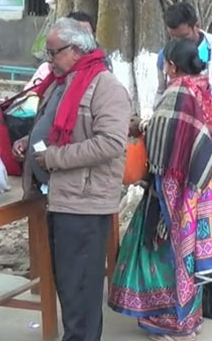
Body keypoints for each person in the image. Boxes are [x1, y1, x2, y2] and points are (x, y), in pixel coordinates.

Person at [15, 18, 130, 341]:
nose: (49, 60)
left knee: (81, 290)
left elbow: (110, 143)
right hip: (61, 198)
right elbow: (50, 126)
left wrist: (54, 158)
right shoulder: (60, 82)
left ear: (77, 50)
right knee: (67, 284)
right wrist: (29, 141)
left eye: (54, 53)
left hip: (85, 203)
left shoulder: (105, 86)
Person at [109, 39, 212, 341]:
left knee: (162, 250)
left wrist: (142, 128)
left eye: (165, 64)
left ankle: (169, 322)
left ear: (172, 66)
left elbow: (165, 137)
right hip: (195, 186)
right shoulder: (201, 89)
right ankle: (189, 320)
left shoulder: (177, 92)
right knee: (186, 253)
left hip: (172, 189)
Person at [154, 2, 212, 243]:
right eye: (173, 37)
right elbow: (161, 92)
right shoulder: (166, 55)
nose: (179, 42)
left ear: (197, 27)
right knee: (187, 206)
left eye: (184, 36)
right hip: (183, 146)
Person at [24, 11, 105, 90]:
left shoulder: (102, 80)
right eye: (75, 32)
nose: (81, 38)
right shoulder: (49, 74)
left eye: (85, 33)